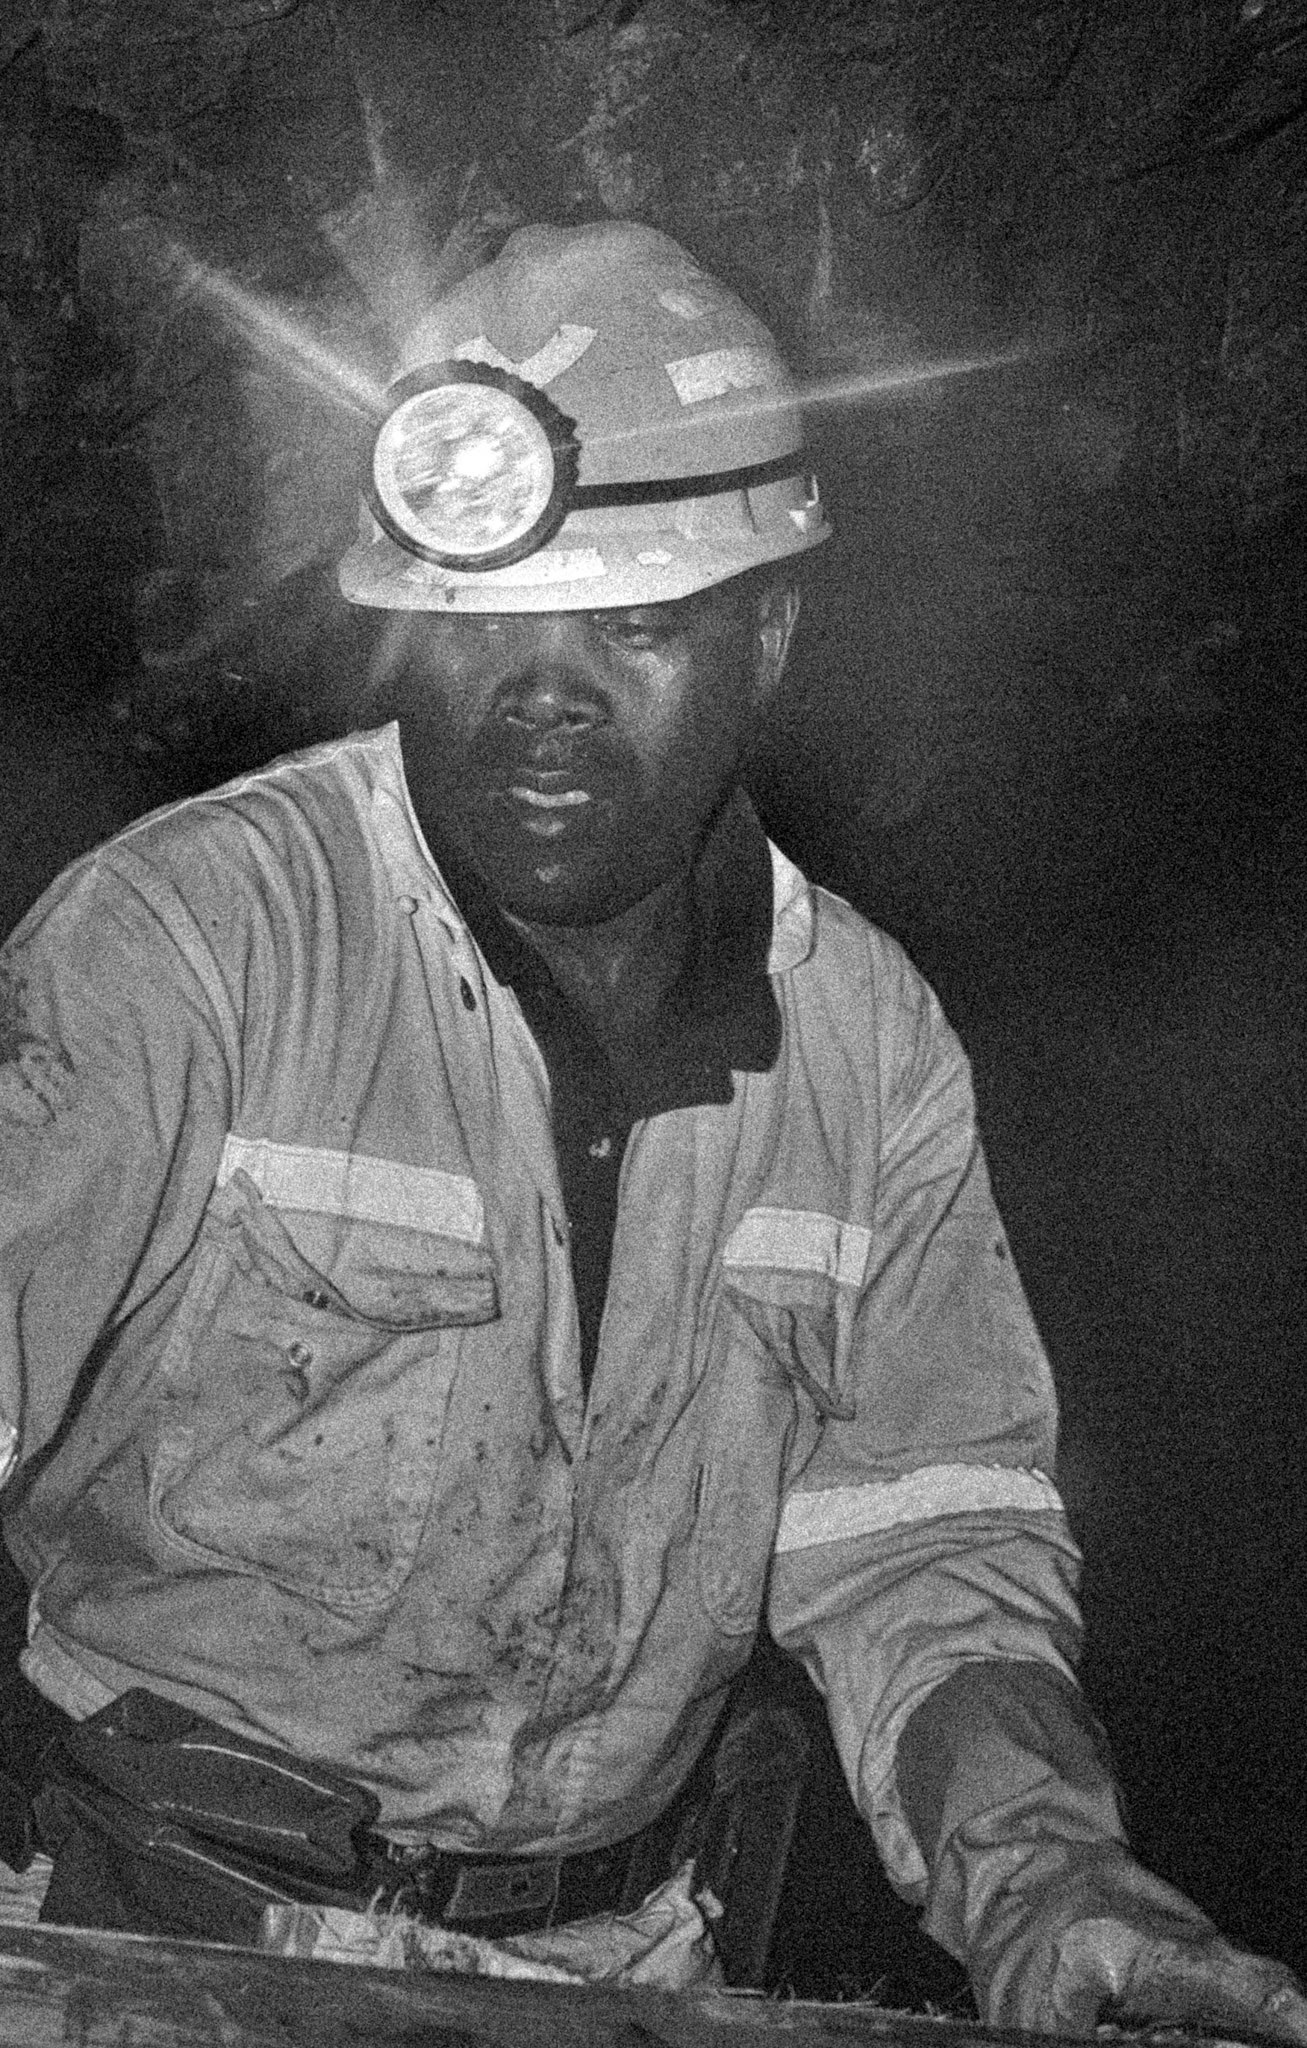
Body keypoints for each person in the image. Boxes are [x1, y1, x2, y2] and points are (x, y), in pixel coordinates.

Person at [0, 218, 1301, 2035]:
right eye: (486, 626)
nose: (544, 694)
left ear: (767, 635)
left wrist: (1043, 1876)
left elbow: (926, 1545)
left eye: (633, 622)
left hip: (620, 1971)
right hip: (162, 1946)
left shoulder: (865, 1047)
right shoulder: (195, 946)